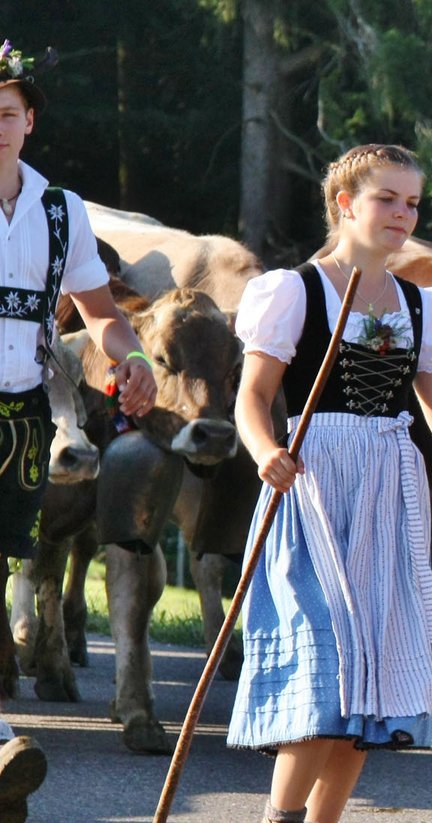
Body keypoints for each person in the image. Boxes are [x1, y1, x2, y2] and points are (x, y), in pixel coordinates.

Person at [225, 144, 432, 823]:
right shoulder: (295, 291)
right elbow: (252, 398)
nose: (404, 214)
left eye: (412, 202)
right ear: (344, 203)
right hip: (313, 486)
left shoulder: (422, 305)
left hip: (387, 489)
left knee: (366, 684)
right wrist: (266, 451)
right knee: (326, 663)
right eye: (388, 199)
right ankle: (280, 816)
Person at [0, 39, 156, 823]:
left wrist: (134, 360)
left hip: (27, 412)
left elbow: (99, 314)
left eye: (7, 112)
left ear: (29, 123)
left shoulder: (61, 211)